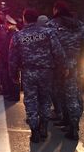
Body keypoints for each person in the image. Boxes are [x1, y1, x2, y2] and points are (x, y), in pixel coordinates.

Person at [9, 8, 67, 143]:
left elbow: (12, 58)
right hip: (47, 72)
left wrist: (13, 74)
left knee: (30, 101)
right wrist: (63, 67)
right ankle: (44, 127)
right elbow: (58, 52)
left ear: (24, 19)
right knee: (45, 100)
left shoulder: (18, 36)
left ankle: (34, 130)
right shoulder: (48, 33)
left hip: (28, 72)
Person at [47, 0, 84, 140]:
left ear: (56, 10)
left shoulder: (51, 25)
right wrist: (82, 64)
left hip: (57, 67)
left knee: (60, 95)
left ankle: (71, 126)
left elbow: (46, 46)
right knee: (73, 96)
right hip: (74, 66)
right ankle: (71, 124)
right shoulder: (80, 26)